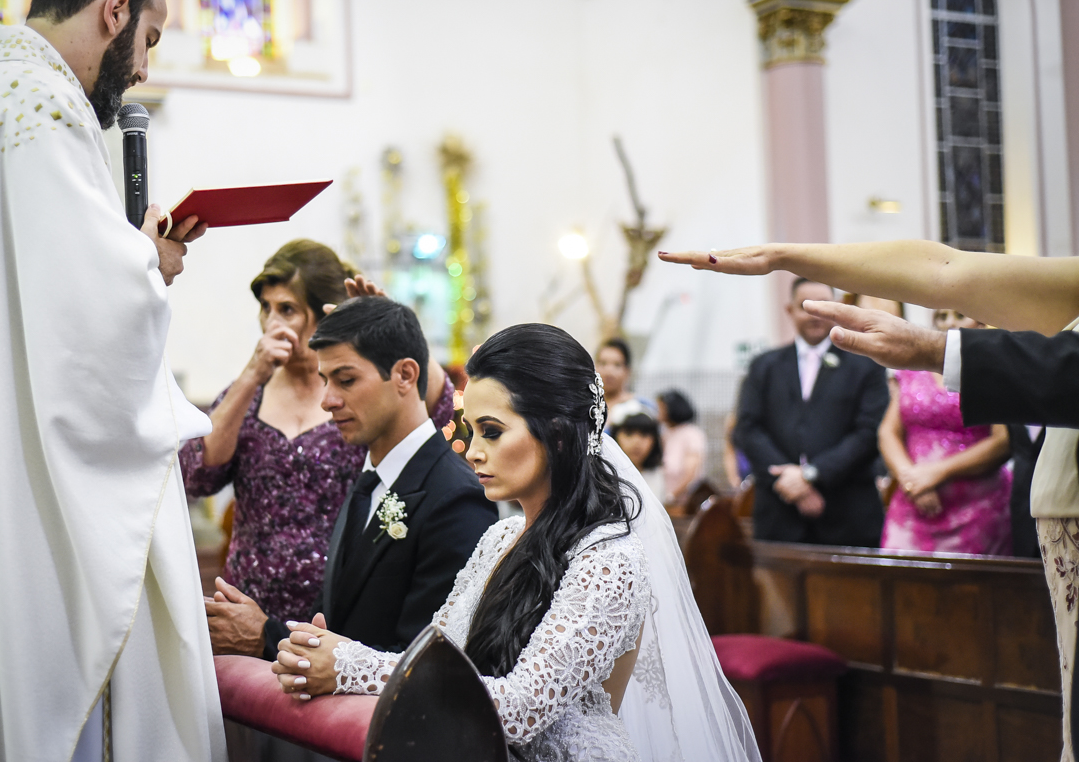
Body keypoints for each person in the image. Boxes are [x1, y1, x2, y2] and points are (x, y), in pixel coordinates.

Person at [0, 0, 225, 760]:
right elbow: (88, 333)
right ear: (113, 11)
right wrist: (151, 265)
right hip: (20, 491)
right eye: (149, 38)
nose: (145, 68)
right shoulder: (39, 108)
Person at [658, 239, 1079, 759]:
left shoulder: (862, 368)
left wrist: (931, 349)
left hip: (977, 510)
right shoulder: (767, 367)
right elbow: (947, 268)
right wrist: (783, 255)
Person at [272, 324, 763, 762]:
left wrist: (350, 666)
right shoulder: (500, 535)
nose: (475, 451)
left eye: (492, 431)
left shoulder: (611, 560)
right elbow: (441, 658)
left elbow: (521, 710)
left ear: (557, 435)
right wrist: (326, 650)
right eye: (471, 431)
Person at [182, 243, 457, 659]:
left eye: (288, 309)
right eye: (266, 308)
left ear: (322, 311)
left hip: (337, 613)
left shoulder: (357, 400)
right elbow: (197, 474)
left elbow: (437, 409)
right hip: (250, 607)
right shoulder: (249, 396)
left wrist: (396, 335)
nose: (273, 323)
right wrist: (253, 374)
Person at [733, 278, 889, 546]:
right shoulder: (764, 366)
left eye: (824, 306)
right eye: (807, 306)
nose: (816, 315)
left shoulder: (866, 366)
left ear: (838, 307)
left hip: (847, 513)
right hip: (779, 515)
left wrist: (811, 474)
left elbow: (869, 433)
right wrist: (789, 483)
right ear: (789, 310)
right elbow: (748, 429)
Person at [878, 309, 1011, 554]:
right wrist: (911, 480)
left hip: (976, 507)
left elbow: (1002, 442)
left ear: (980, 323)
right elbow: (888, 432)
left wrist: (936, 473)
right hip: (914, 501)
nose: (949, 322)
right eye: (941, 316)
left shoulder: (992, 371)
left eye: (959, 315)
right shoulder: (912, 367)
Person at [656, 388, 707, 503]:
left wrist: (671, 496)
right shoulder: (664, 433)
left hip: (685, 500)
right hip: (665, 496)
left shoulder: (691, 433)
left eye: (661, 408)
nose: (658, 412)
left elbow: (691, 473)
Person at [595, 338, 656, 429]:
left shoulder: (641, 407)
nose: (609, 371)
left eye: (617, 365)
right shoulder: (585, 405)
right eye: (603, 363)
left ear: (627, 371)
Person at [610, 412, 666, 501]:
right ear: (614, 437)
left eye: (644, 435)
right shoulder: (607, 474)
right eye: (629, 434)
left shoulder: (657, 474)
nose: (637, 442)